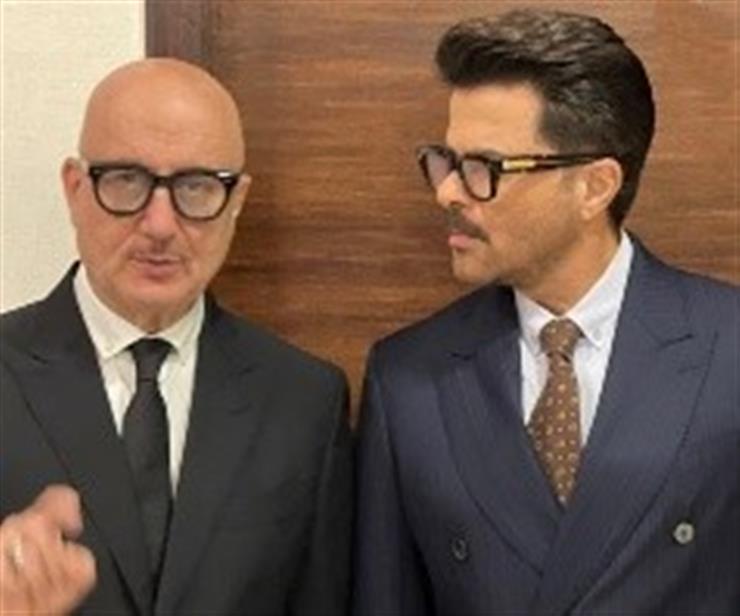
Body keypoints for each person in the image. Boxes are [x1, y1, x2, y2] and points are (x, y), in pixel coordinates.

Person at [353, 9, 738, 615]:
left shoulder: (728, 349)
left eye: (484, 168)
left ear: (595, 186)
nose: (447, 191)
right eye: (446, 161)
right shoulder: (407, 379)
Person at [0, 58, 352, 615]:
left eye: (196, 187)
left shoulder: (304, 401)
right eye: (126, 181)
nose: (161, 225)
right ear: (75, 188)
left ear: (236, 201)